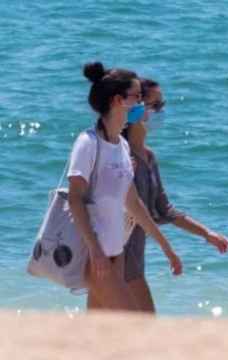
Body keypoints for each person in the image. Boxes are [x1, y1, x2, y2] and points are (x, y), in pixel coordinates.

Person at [68, 62, 183, 311]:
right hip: (95, 256)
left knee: (101, 327)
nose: (141, 104)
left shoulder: (120, 146)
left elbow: (134, 205)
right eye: (137, 97)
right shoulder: (88, 143)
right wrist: (95, 250)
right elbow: (74, 198)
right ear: (119, 100)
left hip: (115, 252)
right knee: (130, 322)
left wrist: (167, 249)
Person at [121, 78, 228, 313]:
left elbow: (164, 210)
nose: (161, 112)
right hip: (116, 253)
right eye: (156, 105)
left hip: (134, 256)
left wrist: (206, 233)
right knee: (142, 320)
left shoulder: (148, 158)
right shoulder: (121, 155)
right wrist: (167, 250)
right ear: (137, 108)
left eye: (162, 105)